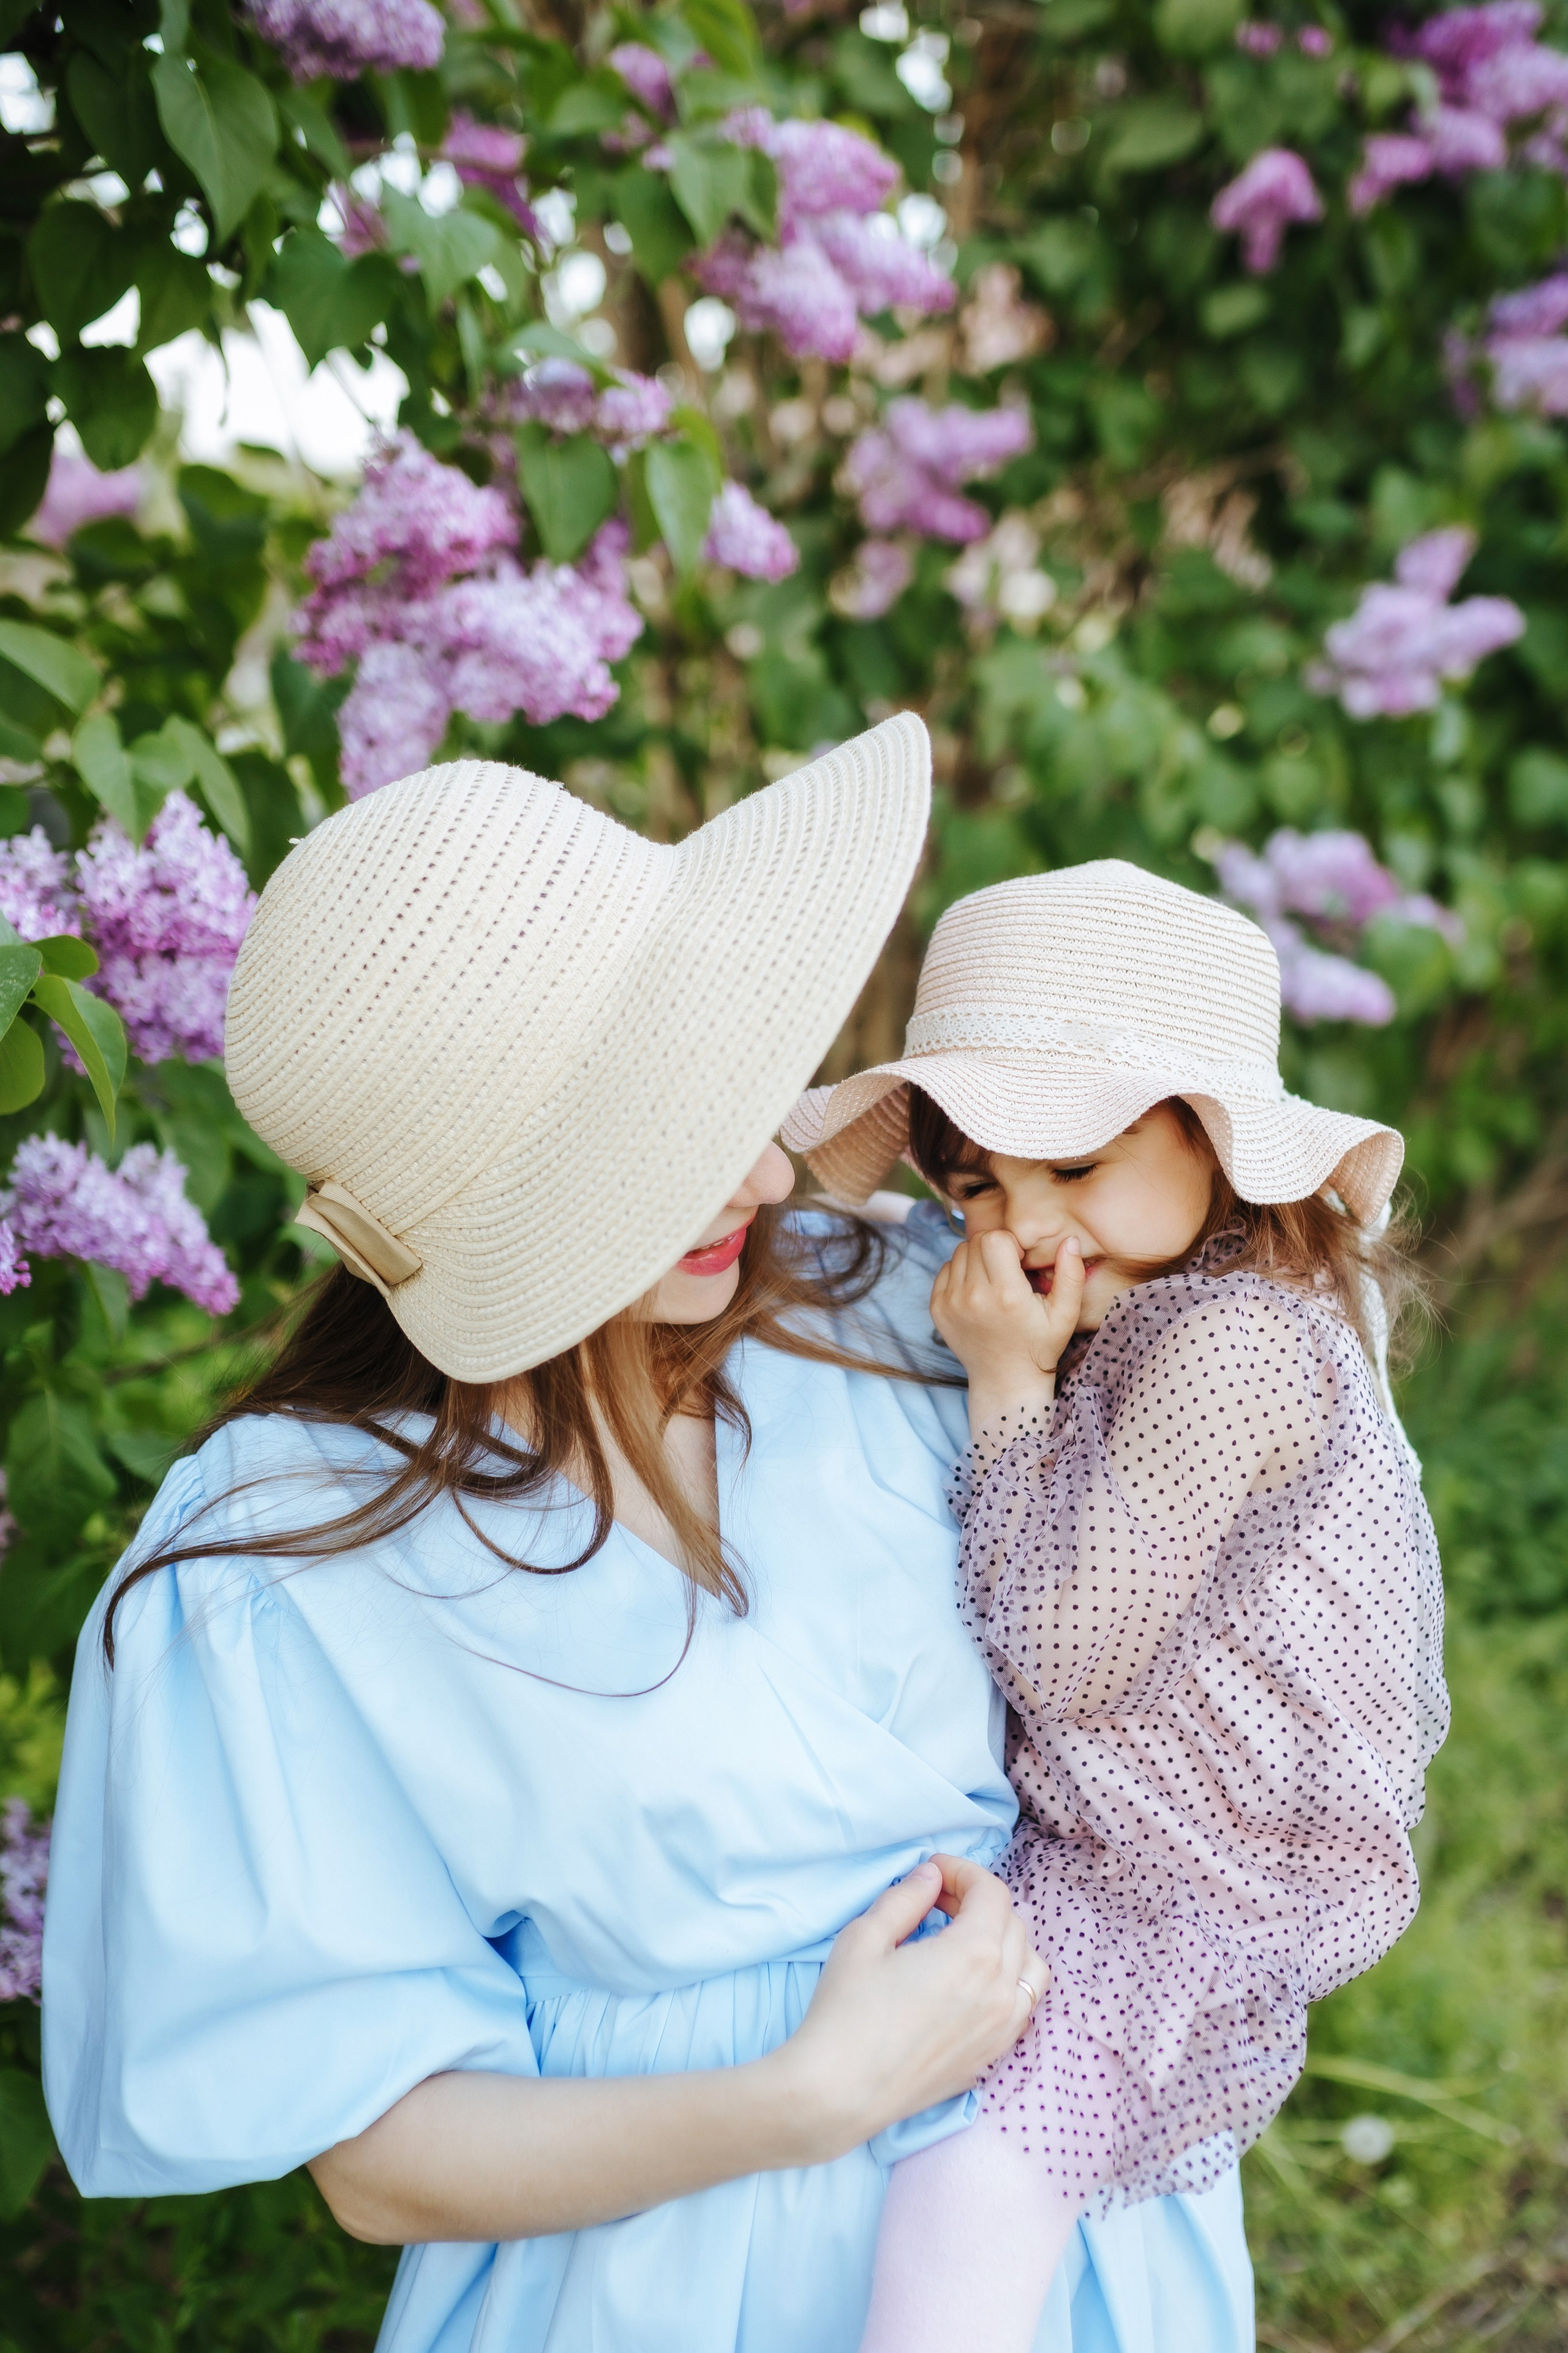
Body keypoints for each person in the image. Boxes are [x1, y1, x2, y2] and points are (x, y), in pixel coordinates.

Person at [41, 737, 1254, 2353]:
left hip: (1063, 2220)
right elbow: (378, 2158)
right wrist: (803, 2098)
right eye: (657, 1136)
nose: (763, 1167)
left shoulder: (903, 1311)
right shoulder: (289, 1559)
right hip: (668, 2275)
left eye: (723, 1084)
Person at [786, 861, 1449, 2353]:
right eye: (972, 1183)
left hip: (1174, 1881)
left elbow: (1066, 1652)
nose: (1022, 1226)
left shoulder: (1227, 1350)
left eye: (1073, 1168)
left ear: (1212, 1146)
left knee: (974, 2187)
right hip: (1127, 1837)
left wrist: (1004, 1382)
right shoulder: (1159, 1298)